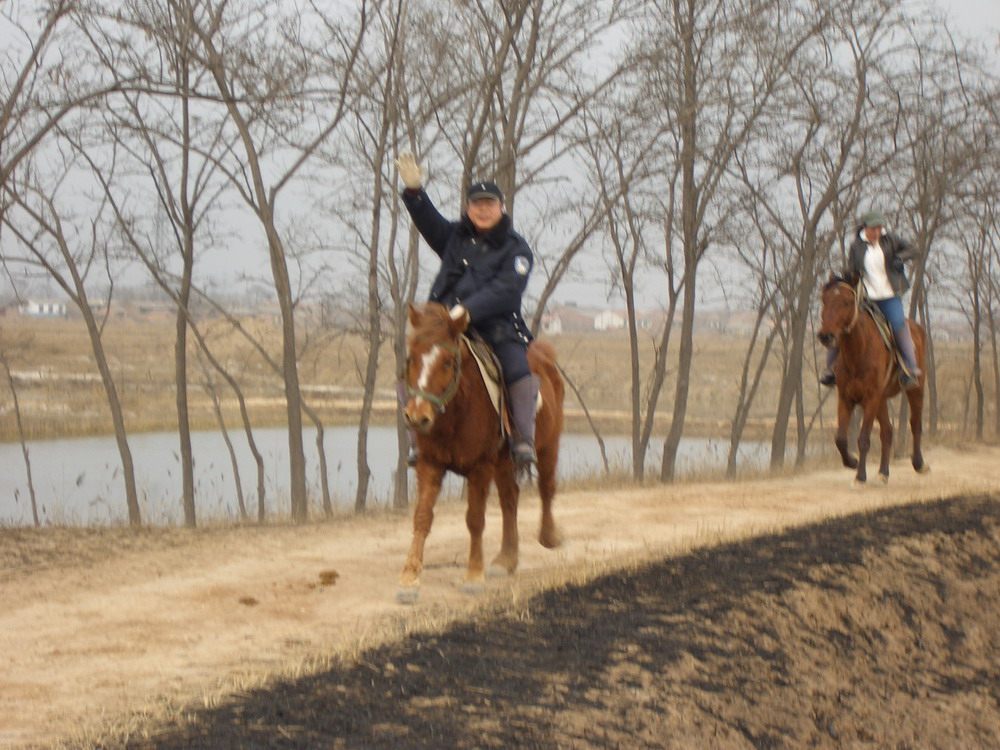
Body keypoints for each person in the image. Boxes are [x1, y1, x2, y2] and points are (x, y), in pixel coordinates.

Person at [394, 151, 539, 471]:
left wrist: (467, 310)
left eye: (490, 204)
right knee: (411, 370)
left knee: (517, 368)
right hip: (447, 328)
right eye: (477, 204)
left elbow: (507, 289)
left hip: (496, 327)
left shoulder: (517, 249)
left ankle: (523, 440)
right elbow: (429, 223)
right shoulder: (455, 238)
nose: (483, 210)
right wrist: (415, 194)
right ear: (469, 209)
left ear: (501, 208)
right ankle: (418, 438)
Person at [820, 208, 922, 390]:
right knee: (844, 324)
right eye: (873, 229)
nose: (876, 232)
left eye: (879, 228)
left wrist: (900, 258)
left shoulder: (891, 239)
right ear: (865, 228)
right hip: (866, 298)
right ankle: (830, 369)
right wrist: (841, 280)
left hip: (889, 296)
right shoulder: (856, 246)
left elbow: (914, 250)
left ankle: (910, 369)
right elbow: (851, 269)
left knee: (898, 324)